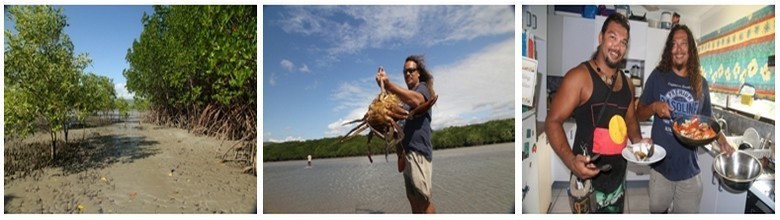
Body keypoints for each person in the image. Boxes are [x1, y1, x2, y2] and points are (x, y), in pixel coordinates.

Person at [546, 13, 651, 213]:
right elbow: (553, 121)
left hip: (618, 181)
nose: (617, 46)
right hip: (587, 182)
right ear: (601, 38)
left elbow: (630, 120)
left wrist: (639, 144)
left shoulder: (628, 84)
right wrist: (570, 161)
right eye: (612, 37)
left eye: (623, 42)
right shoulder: (579, 78)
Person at [635, 25, 734, 213]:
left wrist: (723, 141)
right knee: (657, 211)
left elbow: (708, 120)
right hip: (660, 167)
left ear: (691, 49)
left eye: (684, 44)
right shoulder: (658, 77)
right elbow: (639, 113)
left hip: (689, 170)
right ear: (669, 49)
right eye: (674, 44)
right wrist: (655, 107)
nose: (678, 49)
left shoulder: (700, 83)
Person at [376, 55, 436, 214]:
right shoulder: (403, 100)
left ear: (419, 73)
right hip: (406, 153)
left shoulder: (422, 89)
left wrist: (388, 84)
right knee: (412, 198)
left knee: (423, 200)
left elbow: (417, 102)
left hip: (418, 152)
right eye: (405, 72)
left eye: (411, 70)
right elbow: (395, 127)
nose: (408, 74)